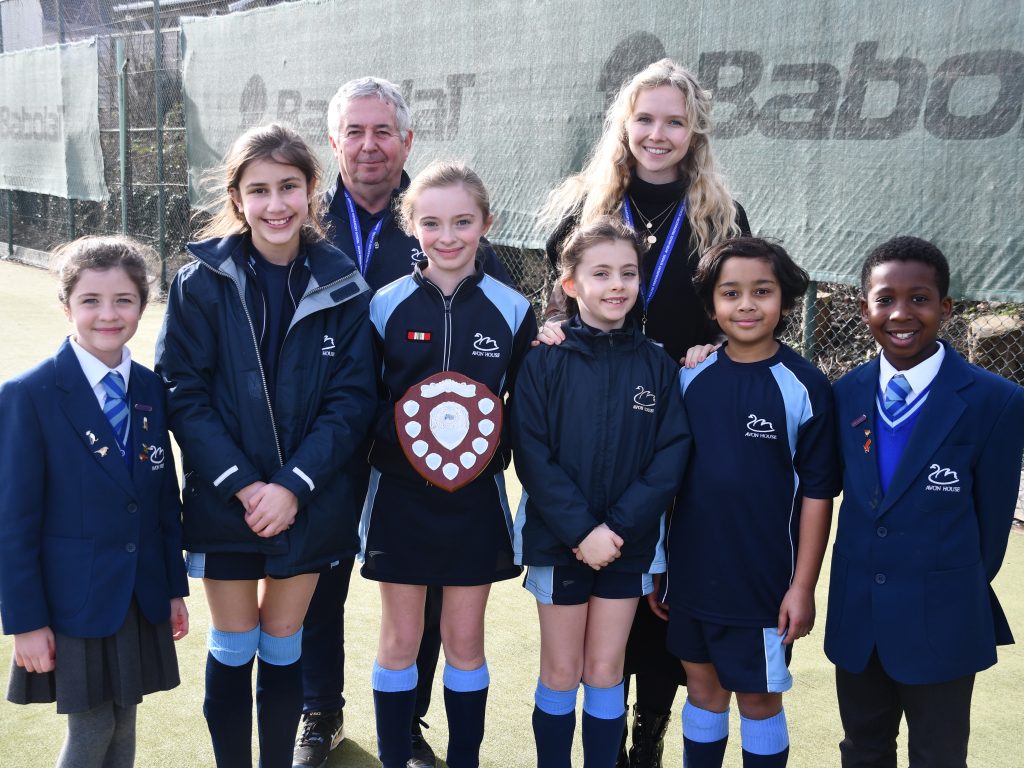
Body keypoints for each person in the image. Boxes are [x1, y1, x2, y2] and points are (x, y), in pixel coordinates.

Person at [537, 58, 749, 767]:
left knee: (662, 578)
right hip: (597, 416)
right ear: (623, 125)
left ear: (695, 132)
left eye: (674, 122)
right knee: (602, 581)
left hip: (675, 412)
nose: (658, 134)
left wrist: (713, 346)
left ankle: (647, 733)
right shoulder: (582, 205)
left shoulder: (721, 214)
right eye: (645, 119)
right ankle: (607, 713)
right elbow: (558, 298)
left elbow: (737, 308)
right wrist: (549, 325)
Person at [298, 76, 512, 768]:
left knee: (425, 596)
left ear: (406, 141)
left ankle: (411, 725)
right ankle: (318, 712)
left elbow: (510, 343)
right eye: (354, 132)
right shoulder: (299, 220)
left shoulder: (447, 221)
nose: (368, 146)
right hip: (327, 439)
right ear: (334, 142)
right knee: (319, 576)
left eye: (382, 131)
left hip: (423, 468)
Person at [155, 123, 376, 768]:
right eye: (259, 190)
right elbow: (182, 390)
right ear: (237, 198)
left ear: (312, 192)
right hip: (229, 501)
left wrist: (292, 486)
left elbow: (352, 401)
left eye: (289, 186)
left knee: (283, 642)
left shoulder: (344, 284)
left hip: (308, 501)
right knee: (233, 642)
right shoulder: (198, 282)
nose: (275, 204)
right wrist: (246, 485)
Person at [824, 236, 1024, 767]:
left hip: (943, 617)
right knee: (862, 748)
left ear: (946, 308)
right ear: (864, 307)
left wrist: (942, 587)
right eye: (885, 299)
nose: (901, 314)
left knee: (938, 754)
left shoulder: (997, 402)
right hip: (858, 617)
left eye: (920, 298)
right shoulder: (844, 394)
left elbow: (991, 531)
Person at [361, 160, 536, 768]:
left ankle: (465, 759)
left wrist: (486, 445)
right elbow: (365, 401)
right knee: (401, 639)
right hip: (400, 497)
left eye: (463, 221)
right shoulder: (382, 305)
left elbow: (524, 406)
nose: (449, 236)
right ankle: (393, 757)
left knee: (465, 641)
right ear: (412, 227)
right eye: (432, 223)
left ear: (487, 223)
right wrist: (410, 433)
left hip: (475, 501)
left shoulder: (514, 309)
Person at [0, 235, 189, 768]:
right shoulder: (30, 394)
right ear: (67, 307)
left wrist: (172, 587)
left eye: (123, 300)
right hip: (72, 602)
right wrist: (26, 622)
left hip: (138, 594)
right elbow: (12, 523)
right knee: (93, 727)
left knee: (125, 720)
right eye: (90, 301)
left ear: (144, 303)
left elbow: (160, 498)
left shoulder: (152, 388)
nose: (108, 314)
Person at [511, 216, 691, 768]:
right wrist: (581, 532)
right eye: (602, 273)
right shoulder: (545, 358)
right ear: (571, 284)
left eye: (629, 273)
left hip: (625, 547)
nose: (617, 285)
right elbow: (533, 455)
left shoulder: (657, 363)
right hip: (557, 542)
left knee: (607, 670)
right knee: (562, 671)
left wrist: (614, 530)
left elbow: (670, 455)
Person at [655, 237, 839, 768]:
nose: (746, 304)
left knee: (759, 698)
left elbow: (817, 495)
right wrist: (663, 566)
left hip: (762, 583)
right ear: (711, 304)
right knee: (702, 688)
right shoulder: (690, 376)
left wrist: (801, 587)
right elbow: (669, 482)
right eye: (730, 292)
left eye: (762, 291)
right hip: (691, 575)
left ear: (784, 299)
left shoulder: (804, 385)